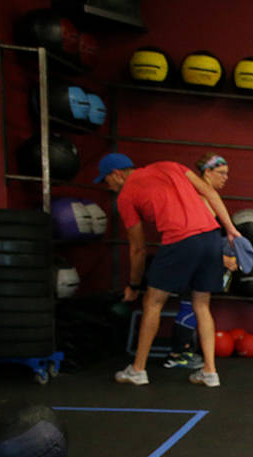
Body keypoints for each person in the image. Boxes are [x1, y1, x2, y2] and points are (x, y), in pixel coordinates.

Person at [96, 152, 241, 387]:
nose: (109, 186)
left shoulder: (125, 197)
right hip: (212, 236)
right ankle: (210, 372)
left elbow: (138, 249)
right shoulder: (169, 164)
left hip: (180, 239)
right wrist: (231, 229)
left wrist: (134, 286)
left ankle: (138, 369)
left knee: (153, 302)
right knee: (201, 304)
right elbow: (210, 192)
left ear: (116, 174)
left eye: (107, 181)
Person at [163, 154, 237, 369]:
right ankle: (178, 355)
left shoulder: (205, 196)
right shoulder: (201, 199)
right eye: (221, 173)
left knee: (192, 306)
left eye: (227, 174)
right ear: (207, 172)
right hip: (189, 259)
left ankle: (182, 352)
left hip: (195, 259)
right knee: (191, 307)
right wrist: (221, 259)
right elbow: (196, 238)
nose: (225, 178)